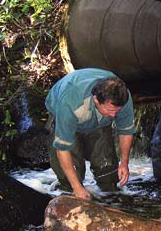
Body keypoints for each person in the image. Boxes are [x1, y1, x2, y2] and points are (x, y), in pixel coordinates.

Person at [45, 68, 136, 199]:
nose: (114, 115)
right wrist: (77, 188)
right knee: (72, 178)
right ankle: (68, 193)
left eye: (117, 110)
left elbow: (126, 131)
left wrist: (124, 163)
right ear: (96, 100)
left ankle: (110, 196)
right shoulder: (69, 103)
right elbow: (62, 149)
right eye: (111, 110)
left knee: (107, 170)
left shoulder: (122, 97)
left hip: (99, 122)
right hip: (67, 111)